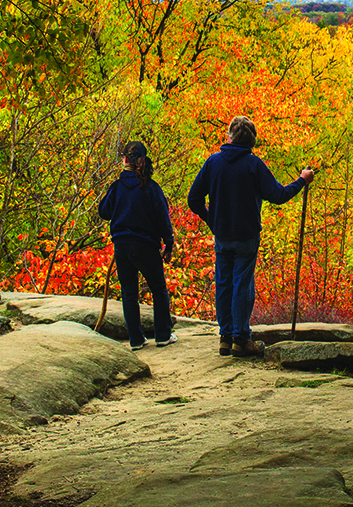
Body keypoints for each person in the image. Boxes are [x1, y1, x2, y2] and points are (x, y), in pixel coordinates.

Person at [188, 115, 313, 358]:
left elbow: (193, 200)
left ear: (229, 137)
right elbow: (279, 195)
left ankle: (225, 338)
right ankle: (241, 339)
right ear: (252, 141)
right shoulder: (254, 165)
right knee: (242, 286)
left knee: (223, 284)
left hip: (222, 235)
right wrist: (302, 180)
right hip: (246, 236)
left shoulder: (213, 163)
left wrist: (211, 220)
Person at [98, 141, 176, 350]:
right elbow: (163, 220)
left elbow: (104, 212)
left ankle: (136, 339)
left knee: (129, 293)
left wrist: (113, 190)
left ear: (125, 160)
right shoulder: (151, 188)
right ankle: (162, 335)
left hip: (121, 246)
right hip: (146, 246)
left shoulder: (117, 187)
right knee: (158, 289)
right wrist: (169, 243)